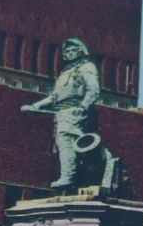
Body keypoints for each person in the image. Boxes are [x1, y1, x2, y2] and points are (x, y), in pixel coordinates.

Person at [19, 37, 102, 189]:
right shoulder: (66, 72)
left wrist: (83, 106)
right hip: (61, 112)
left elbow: (94, 89)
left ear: (80, 51)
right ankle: (69, 175)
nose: (70, 54)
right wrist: (35, 106)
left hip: (75, 110)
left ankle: (68, 176)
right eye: (67, 51)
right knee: (61, 143)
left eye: (73, 50)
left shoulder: (86, 67)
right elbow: (54, 97)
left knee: (66, 142)